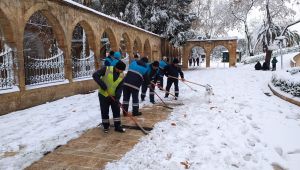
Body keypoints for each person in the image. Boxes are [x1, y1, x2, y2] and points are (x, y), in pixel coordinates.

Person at [92, 61, 127, 133]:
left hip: (113, 96)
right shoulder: (106, 69)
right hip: (103, 95)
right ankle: (106, 126)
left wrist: (117, 97)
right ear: (117, 68)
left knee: (116, 110)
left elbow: (120, 87)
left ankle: (117, 126)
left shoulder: (122, 75)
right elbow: (95, 75)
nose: (122, 71)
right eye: (121, 70)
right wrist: (102, 85)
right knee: (104, 111)